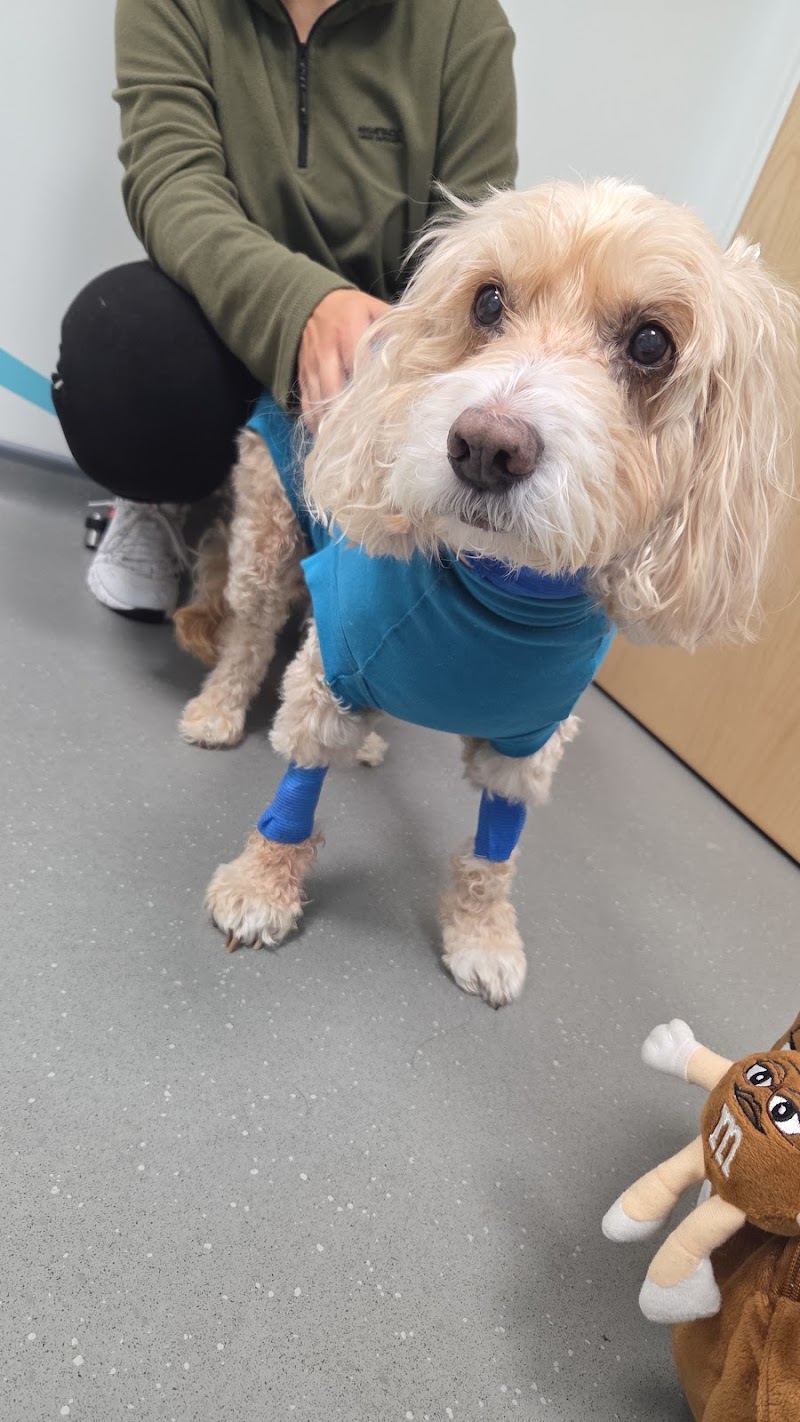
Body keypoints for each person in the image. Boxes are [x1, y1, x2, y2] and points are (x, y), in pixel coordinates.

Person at [53, 0, 517, 619]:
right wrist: (303, 307)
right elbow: (172, 183)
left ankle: (354, 541)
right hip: (223, 317)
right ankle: (165, 499)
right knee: (120, 342)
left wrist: (391, 359)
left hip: (377, 342)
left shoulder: (463, 18)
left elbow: (474, 239)